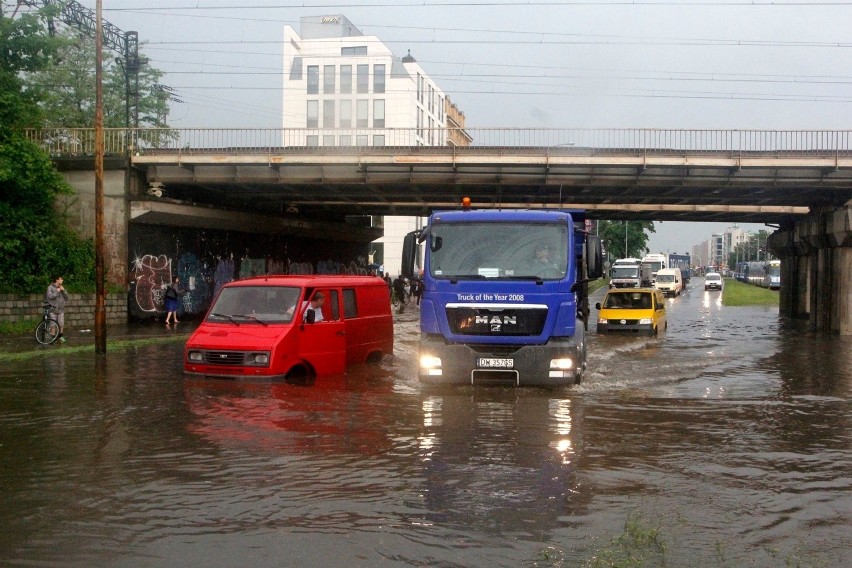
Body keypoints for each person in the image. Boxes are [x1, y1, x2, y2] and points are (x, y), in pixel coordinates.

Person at [46, 275, 69, 342]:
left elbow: (67, 297)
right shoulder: (50, 287)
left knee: (61, 323)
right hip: (53, 309)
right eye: (61, 279)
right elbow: (50, 296)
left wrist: (63, 290)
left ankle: (60, 336)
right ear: (57, 280)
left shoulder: (62, 287)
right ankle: (53, 337)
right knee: (53, 324)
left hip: (61, 309)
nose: (62, 280)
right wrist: (57, 291)